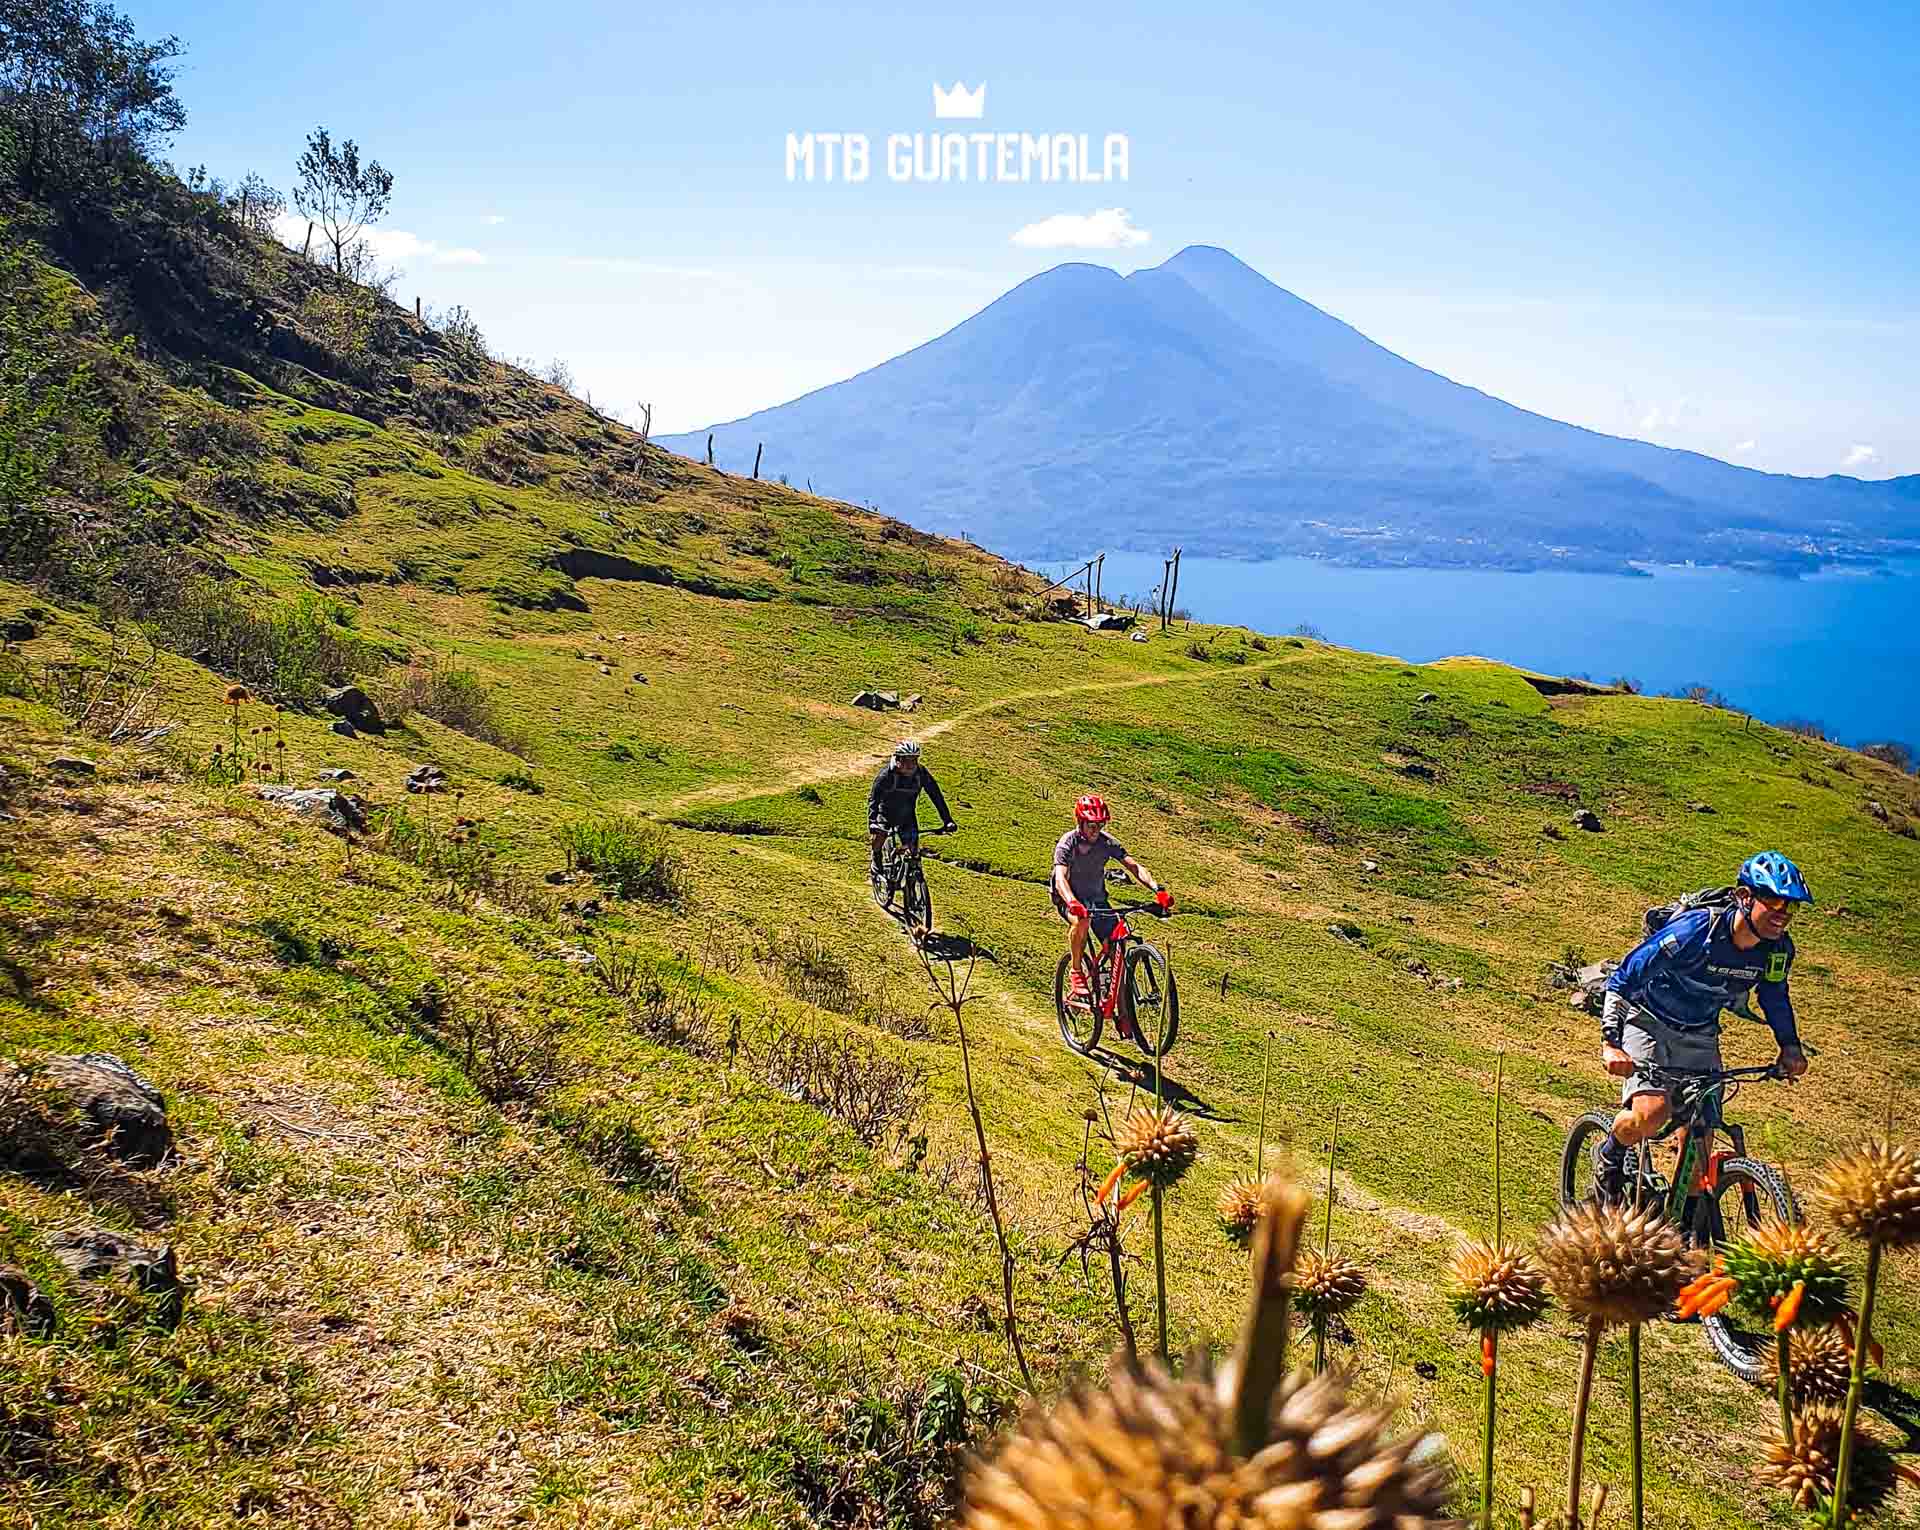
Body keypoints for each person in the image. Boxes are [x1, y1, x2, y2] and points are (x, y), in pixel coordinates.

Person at [1593, 850, 1812, 1201]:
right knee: (1651, 1114)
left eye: (1791, 907)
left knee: (1699, 1145)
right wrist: (1611, 1042)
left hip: (1701, 1032)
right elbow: (1623, 979)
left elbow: (1774, 996)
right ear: (1745, 897)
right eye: (1773, 900)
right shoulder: (1695, 932)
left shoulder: (1777, 951)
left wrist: (1789, 1045)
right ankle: (1612, 1153)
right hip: (1648, 1021)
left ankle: (1677, 1226)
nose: (1782, 914)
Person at [1051, 794, 1169, 1021]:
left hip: (1097, 900)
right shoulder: (1068, 843)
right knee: (1082, 921)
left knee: (1119, 947)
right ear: (1080, 822)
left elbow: (1133, 866)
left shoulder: (1106, 843)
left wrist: (1157, 889)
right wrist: (1072, 902)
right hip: (1069, 899)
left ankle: (1122, 1014)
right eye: (1091, 825)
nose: (1096, 831)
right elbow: (1060, 879)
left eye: (1100, 825)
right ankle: (1076, 971)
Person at [867, 740, 954, 878]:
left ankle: (911, 885)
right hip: (885, 813)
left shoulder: (921, 774)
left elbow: (935, 795)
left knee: (914, 853)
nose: (910, 765)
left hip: (907, 816)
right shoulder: (886, 776)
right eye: (907, 760)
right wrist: (872, 822)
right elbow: (874, 800)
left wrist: (947, 820)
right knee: (880, 835)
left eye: (914, 760)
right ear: (898, 759)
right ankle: (876, 857)